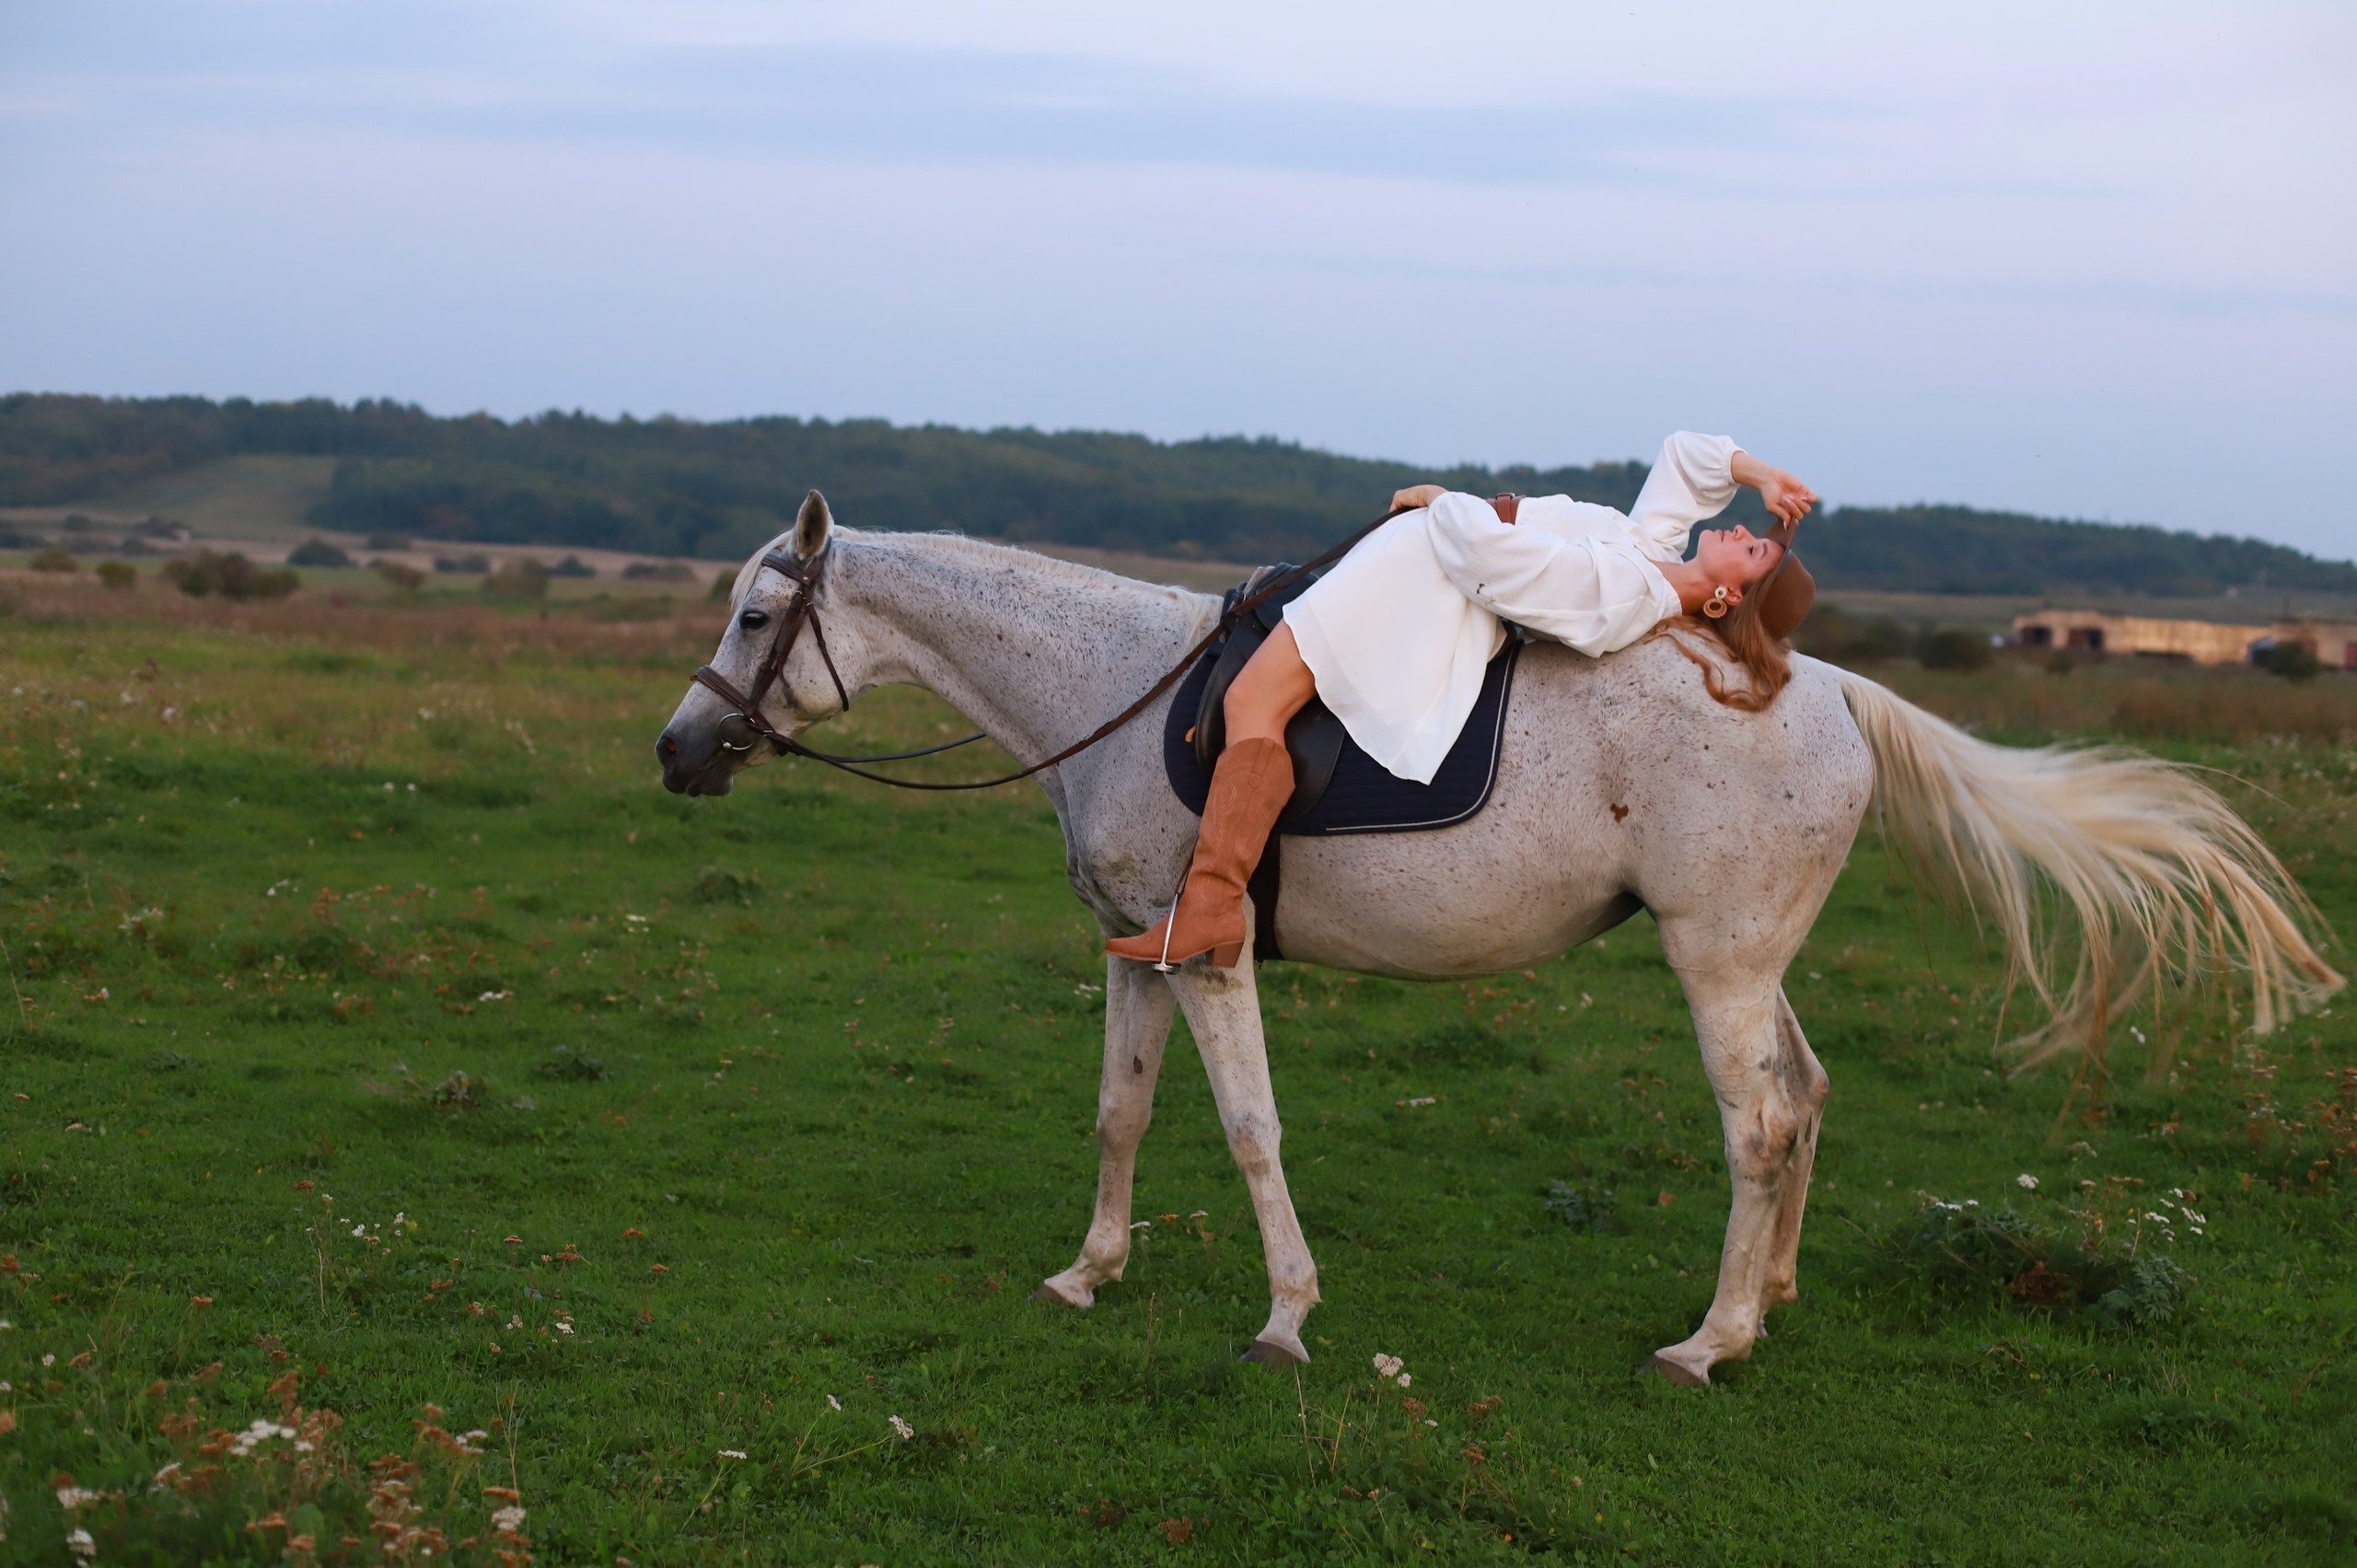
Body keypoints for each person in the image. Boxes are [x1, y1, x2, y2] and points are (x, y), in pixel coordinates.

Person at [1106, 432, 1819, 970]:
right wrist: (1761, 475)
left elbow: (1500, 564)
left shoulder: (1630, 595)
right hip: (1414, 563)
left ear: (1724, 599)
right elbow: (1685, 458)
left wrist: (1446, 504)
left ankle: (1212, 906)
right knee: (1258, 695)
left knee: (1252, 701)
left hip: (1412, 587)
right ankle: (1211, 907)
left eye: (1753, 551)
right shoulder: (1652, 549)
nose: (1742, 532)